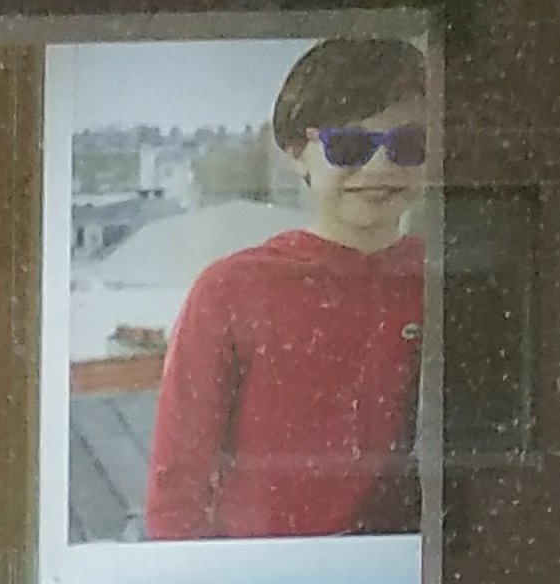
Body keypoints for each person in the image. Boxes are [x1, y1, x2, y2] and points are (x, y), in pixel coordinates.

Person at [143, 38, 430, 540]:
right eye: (349, 147)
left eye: (409, 144)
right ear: (297, 153)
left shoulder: (446, 281)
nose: (380, 167)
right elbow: (179, 485)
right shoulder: (231, 289)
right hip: (264, 572)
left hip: (406, 570)